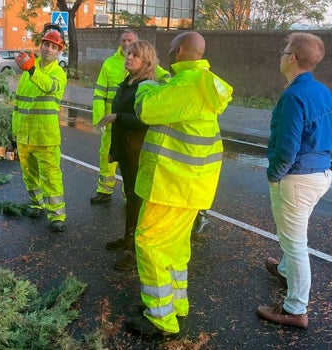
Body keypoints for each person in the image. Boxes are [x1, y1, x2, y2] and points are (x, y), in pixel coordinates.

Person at [125, 31, 233, 336]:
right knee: (174, 248)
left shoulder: (188, 84)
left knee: (149, 243)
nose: (169, 53)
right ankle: (175, 304)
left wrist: (146, 85)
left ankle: (160, 318)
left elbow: (147, 110)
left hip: (171, 185)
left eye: (172, 49)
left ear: (181, 50)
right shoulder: (196, 82)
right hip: (187, 185)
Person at [256, 33, 332, 329]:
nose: (281, 54)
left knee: (295, 243)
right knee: (292, 235)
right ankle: (286, 270)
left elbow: (288, 146)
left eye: (284, 50)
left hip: (297, 177)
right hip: (320, 174)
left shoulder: (293, 95)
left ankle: (295, 309)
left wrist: (274, 174)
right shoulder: (322, 91)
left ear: (292, 58)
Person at [96, 40, 167, 271]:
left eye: (134, 55)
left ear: (145, 61)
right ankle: (128, 239)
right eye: (128, 54)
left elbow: (142, 120)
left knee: (137, 201)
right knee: (130, 196)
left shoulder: (147, 85)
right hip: (126, 150)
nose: (128, 58)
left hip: (139, 151)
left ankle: (136, 252)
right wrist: (115, 151)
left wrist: (117, 117)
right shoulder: (128, 82)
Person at [90, 30, 171, 208]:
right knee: (107, 159)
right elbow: (99, 93)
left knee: (132, 170)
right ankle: (105, 191)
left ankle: (131, 200)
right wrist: (99, 119)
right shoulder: (109, 64)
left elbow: (166, 78)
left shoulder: (145, 64)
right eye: (124, 41)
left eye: (130, 41)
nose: (127, 45)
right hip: (111, 124)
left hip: (128, 125)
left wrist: (162, 94)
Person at [12, 30, 68, 233]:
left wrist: (32, 69)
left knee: (51, 177)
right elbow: (18, 105)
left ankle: (57, 215)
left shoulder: (58, 73)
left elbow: (50, 87)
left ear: (58, 51)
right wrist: (14, 133)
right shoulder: (28, 74)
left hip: (45, 136)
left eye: (54, 47)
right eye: (46, 44)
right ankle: (37, 204)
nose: (49, 49)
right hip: (25, 135)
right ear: (41, 45)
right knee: (29, 175)